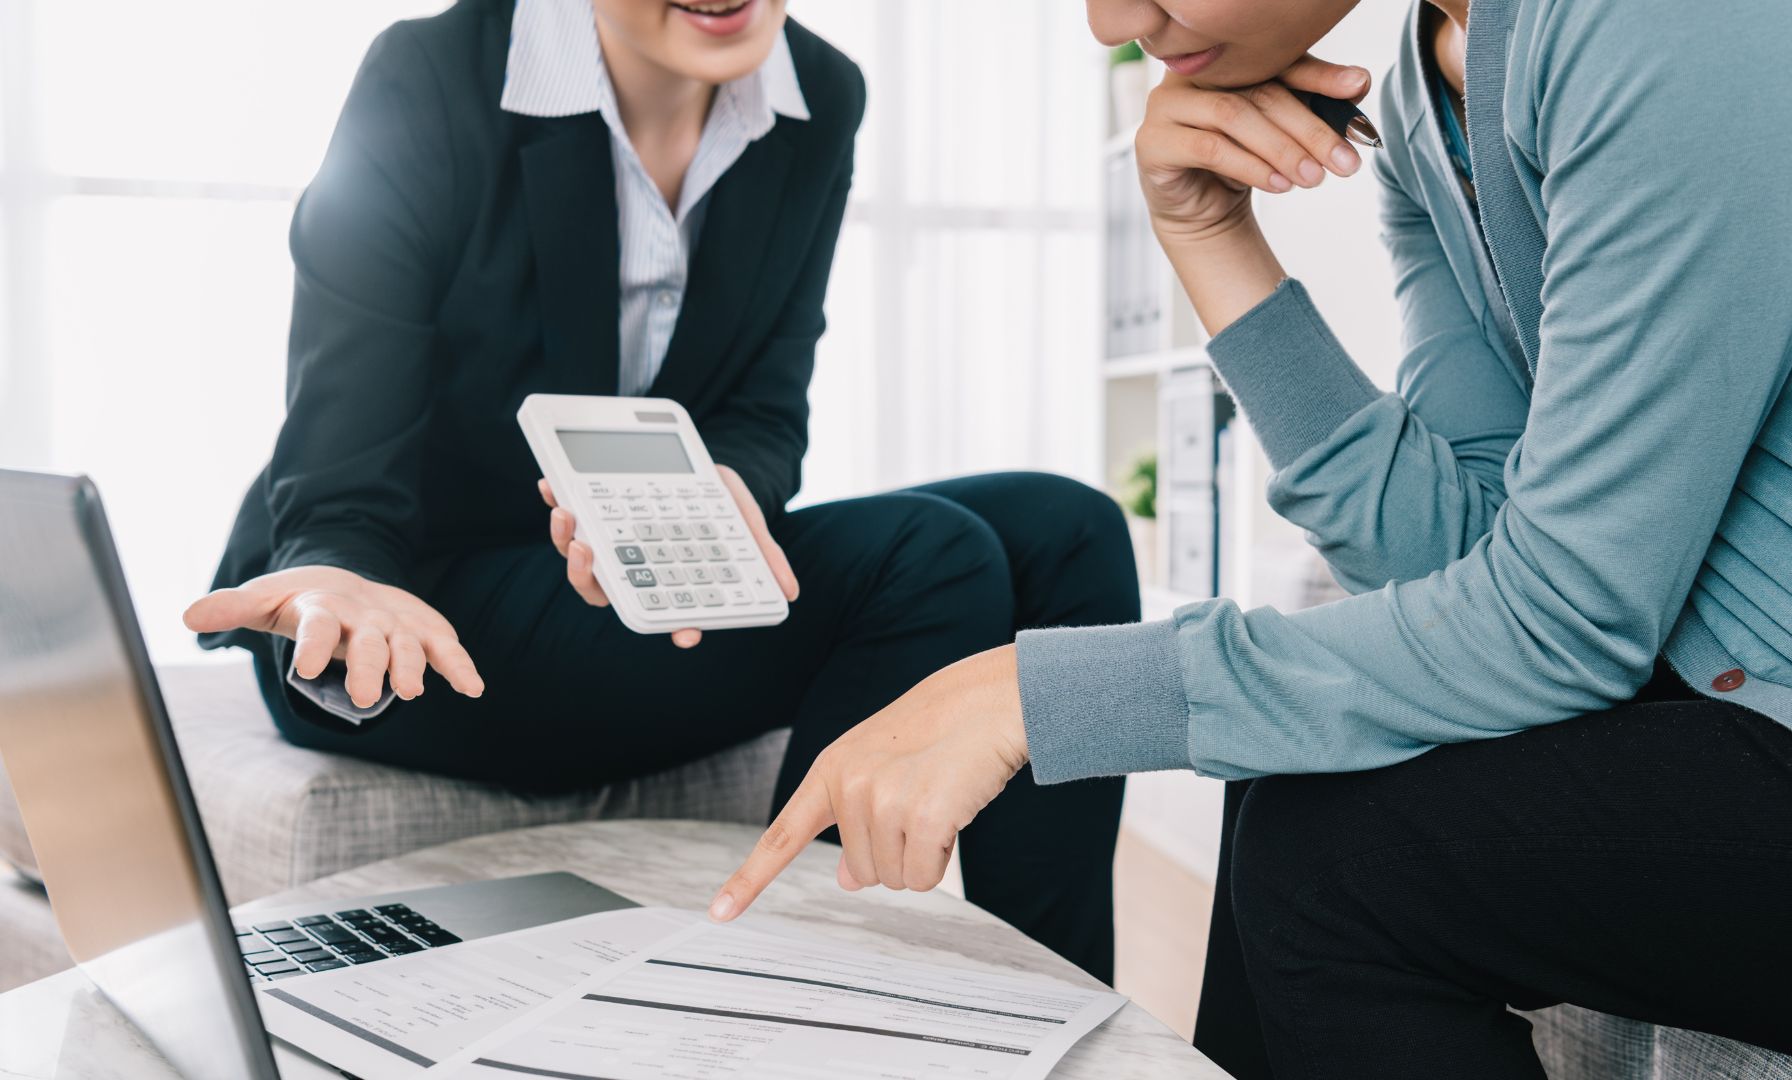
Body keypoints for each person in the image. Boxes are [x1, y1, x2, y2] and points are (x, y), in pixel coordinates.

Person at [711, 0, 1792, 1075]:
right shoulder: (1431, 81)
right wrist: (1209, 240)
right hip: (1768, 720)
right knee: (1292, 770)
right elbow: (1459, 568)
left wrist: (1040, 693)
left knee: (1338, 863)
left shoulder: (1684, 21)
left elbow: (1564, 623)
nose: (1106, 23)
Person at [185, 0, 1131, 982]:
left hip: (634, 572)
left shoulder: (819, 95)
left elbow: (765, 408)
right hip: (409, 597)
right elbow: (343, 466)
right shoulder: (434, 73)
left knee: (1071, 532)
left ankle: (1050, 1000)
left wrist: (718, 490)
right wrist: (332, 576)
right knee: (932, 560)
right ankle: (783, 1004)